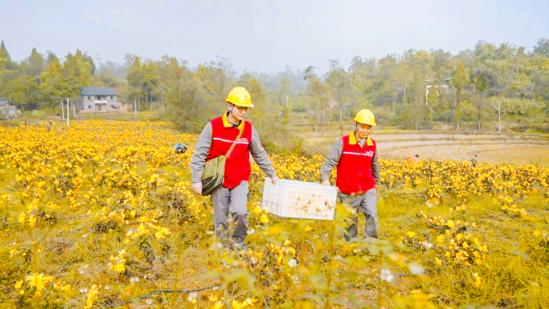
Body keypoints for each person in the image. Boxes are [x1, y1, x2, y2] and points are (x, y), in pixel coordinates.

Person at [190, 87, 277, 249]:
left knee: (240, 212)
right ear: (230, 106)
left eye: (246, 108)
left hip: (240, 179)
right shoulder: (213, 126)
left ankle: (238, 243)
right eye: (240, 107)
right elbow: (199, 154)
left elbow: (259, 154)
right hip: (218, 180)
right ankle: (224, 248)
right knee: (221, 218)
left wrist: (271, 173)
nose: (244, 112)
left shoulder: (249, 129)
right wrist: (196, 180)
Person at [320, 109, 380, 240]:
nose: (365, 130)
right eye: (363, 126)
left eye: (368, 127)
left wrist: (376, 184)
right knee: (350, 220)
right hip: (348, 190)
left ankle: (371, 244)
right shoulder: (343, 142)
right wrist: (325, 179)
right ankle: (351, 248)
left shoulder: (372, 145)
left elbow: (375, 166)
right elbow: (330, 162)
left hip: (367, 188)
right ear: (356, 125)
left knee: (372, 215)